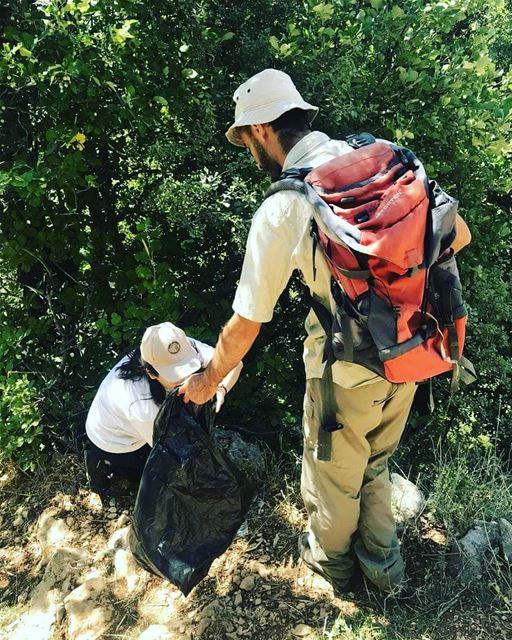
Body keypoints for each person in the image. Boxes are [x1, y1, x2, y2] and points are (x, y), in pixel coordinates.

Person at [178, 69, 472, 594]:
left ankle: (331, 573)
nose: (249, 150)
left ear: (262, 130)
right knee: (376, 465)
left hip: (346, 366)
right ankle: (385, 573)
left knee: (333, 480)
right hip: (413, 345)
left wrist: (208, 379)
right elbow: (460, 234)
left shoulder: (286, 205)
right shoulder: (380, 159)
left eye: (246, 138)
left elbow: (246, 322)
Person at [84, 321, 242, 495]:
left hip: (135, 422)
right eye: (175, 375)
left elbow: (234, 364)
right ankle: (105, 467)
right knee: (157, 480)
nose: (187, 379)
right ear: (151, 373)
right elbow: (167, 451)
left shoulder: (178, 348)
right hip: (117, 443)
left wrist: (219, 388)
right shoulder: (139, 403)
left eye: (190, 368)